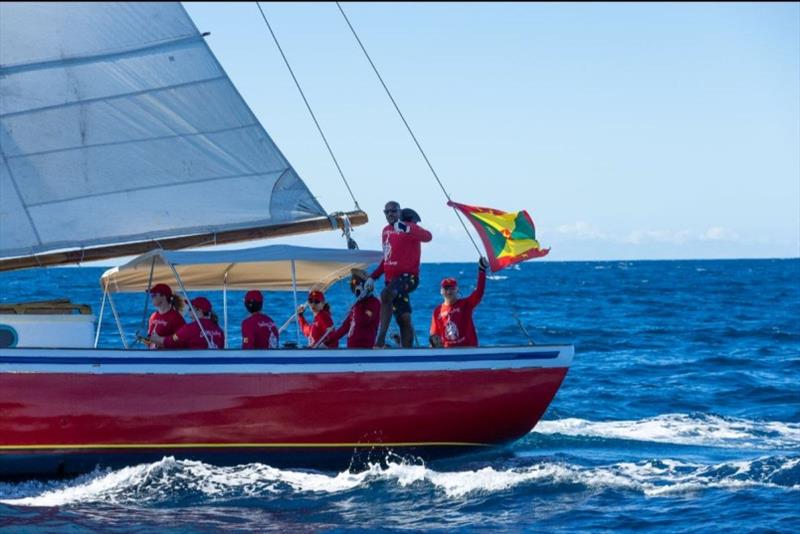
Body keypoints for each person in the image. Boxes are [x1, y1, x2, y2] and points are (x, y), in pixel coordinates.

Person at [365, 201, 432, 347]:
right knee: (404, 318)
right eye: (386, 212)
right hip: (392, 282)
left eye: (393, 211)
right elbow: (387, 258)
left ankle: (380, 341)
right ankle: (407, 352)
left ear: (399, 212)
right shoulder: (385, 231)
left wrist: (406, 228)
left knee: (386, 294)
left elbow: (428, 237)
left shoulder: (409, 226)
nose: (390, 214)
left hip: (409, 278)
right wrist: (372, 277)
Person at [429, 257, 489, 348]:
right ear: (441, 291)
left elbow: (479, 292)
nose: (449, 292)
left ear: (457, 290)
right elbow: (434, 336)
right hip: (448, 353)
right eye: (446, 289)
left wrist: (481, 270)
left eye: (452, 288)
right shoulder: (437, 311)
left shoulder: (466, 304)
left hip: (468, 350)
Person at [329, 269, 381, 348]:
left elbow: (361, 320)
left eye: (357, 283)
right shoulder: (356, 305)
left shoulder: (374, 303)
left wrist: (360, 298)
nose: (355, 286)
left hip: (364, 349)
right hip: (352, 349)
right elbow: (345, 327)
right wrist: (328, 341)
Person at [150, 296, 224, 349]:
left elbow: (171, 341)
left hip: (196, 367)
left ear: (198, 311)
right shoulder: (219, 331)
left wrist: (155, 338)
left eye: (190, 309)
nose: (188, 312)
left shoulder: (190, 328)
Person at [147, 283, 185, 350]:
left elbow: (180, 337)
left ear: (163, 296)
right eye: (151, 295)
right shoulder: (152, 316)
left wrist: (162, 341)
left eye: (154, 295)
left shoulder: (176, 317)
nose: (151, 297)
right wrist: (142, 339)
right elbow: (150, 340)